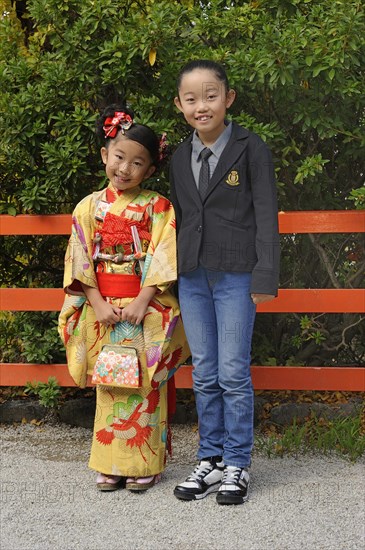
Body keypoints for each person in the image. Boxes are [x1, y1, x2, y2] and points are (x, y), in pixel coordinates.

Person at [58, 104, 188, 492]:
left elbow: (165, 253)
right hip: (102, 308)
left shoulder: (158, 207)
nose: (125, 169)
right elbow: (79, 255)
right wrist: (96, 302)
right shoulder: (88, 206)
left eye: (137, 163)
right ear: (105, 155)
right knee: (110, 383)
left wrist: (144, 298)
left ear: (149, 170)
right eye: (119, 158)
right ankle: (110, 462)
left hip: (142, 307)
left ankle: (146, 462)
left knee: (144, 382)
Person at [170, 60, 280, 505]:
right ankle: (210, 459)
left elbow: (268, 216)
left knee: (233, 373)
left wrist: (265, 275)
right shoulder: (179, 156)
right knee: (204, 373)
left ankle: (237, 463)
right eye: (191, 99)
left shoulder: (252, 148)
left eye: (210, 95)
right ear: (180, 105)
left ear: (228, 98)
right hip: (193, 275)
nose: (202, 106)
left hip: (237, 277)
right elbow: (180, 217)